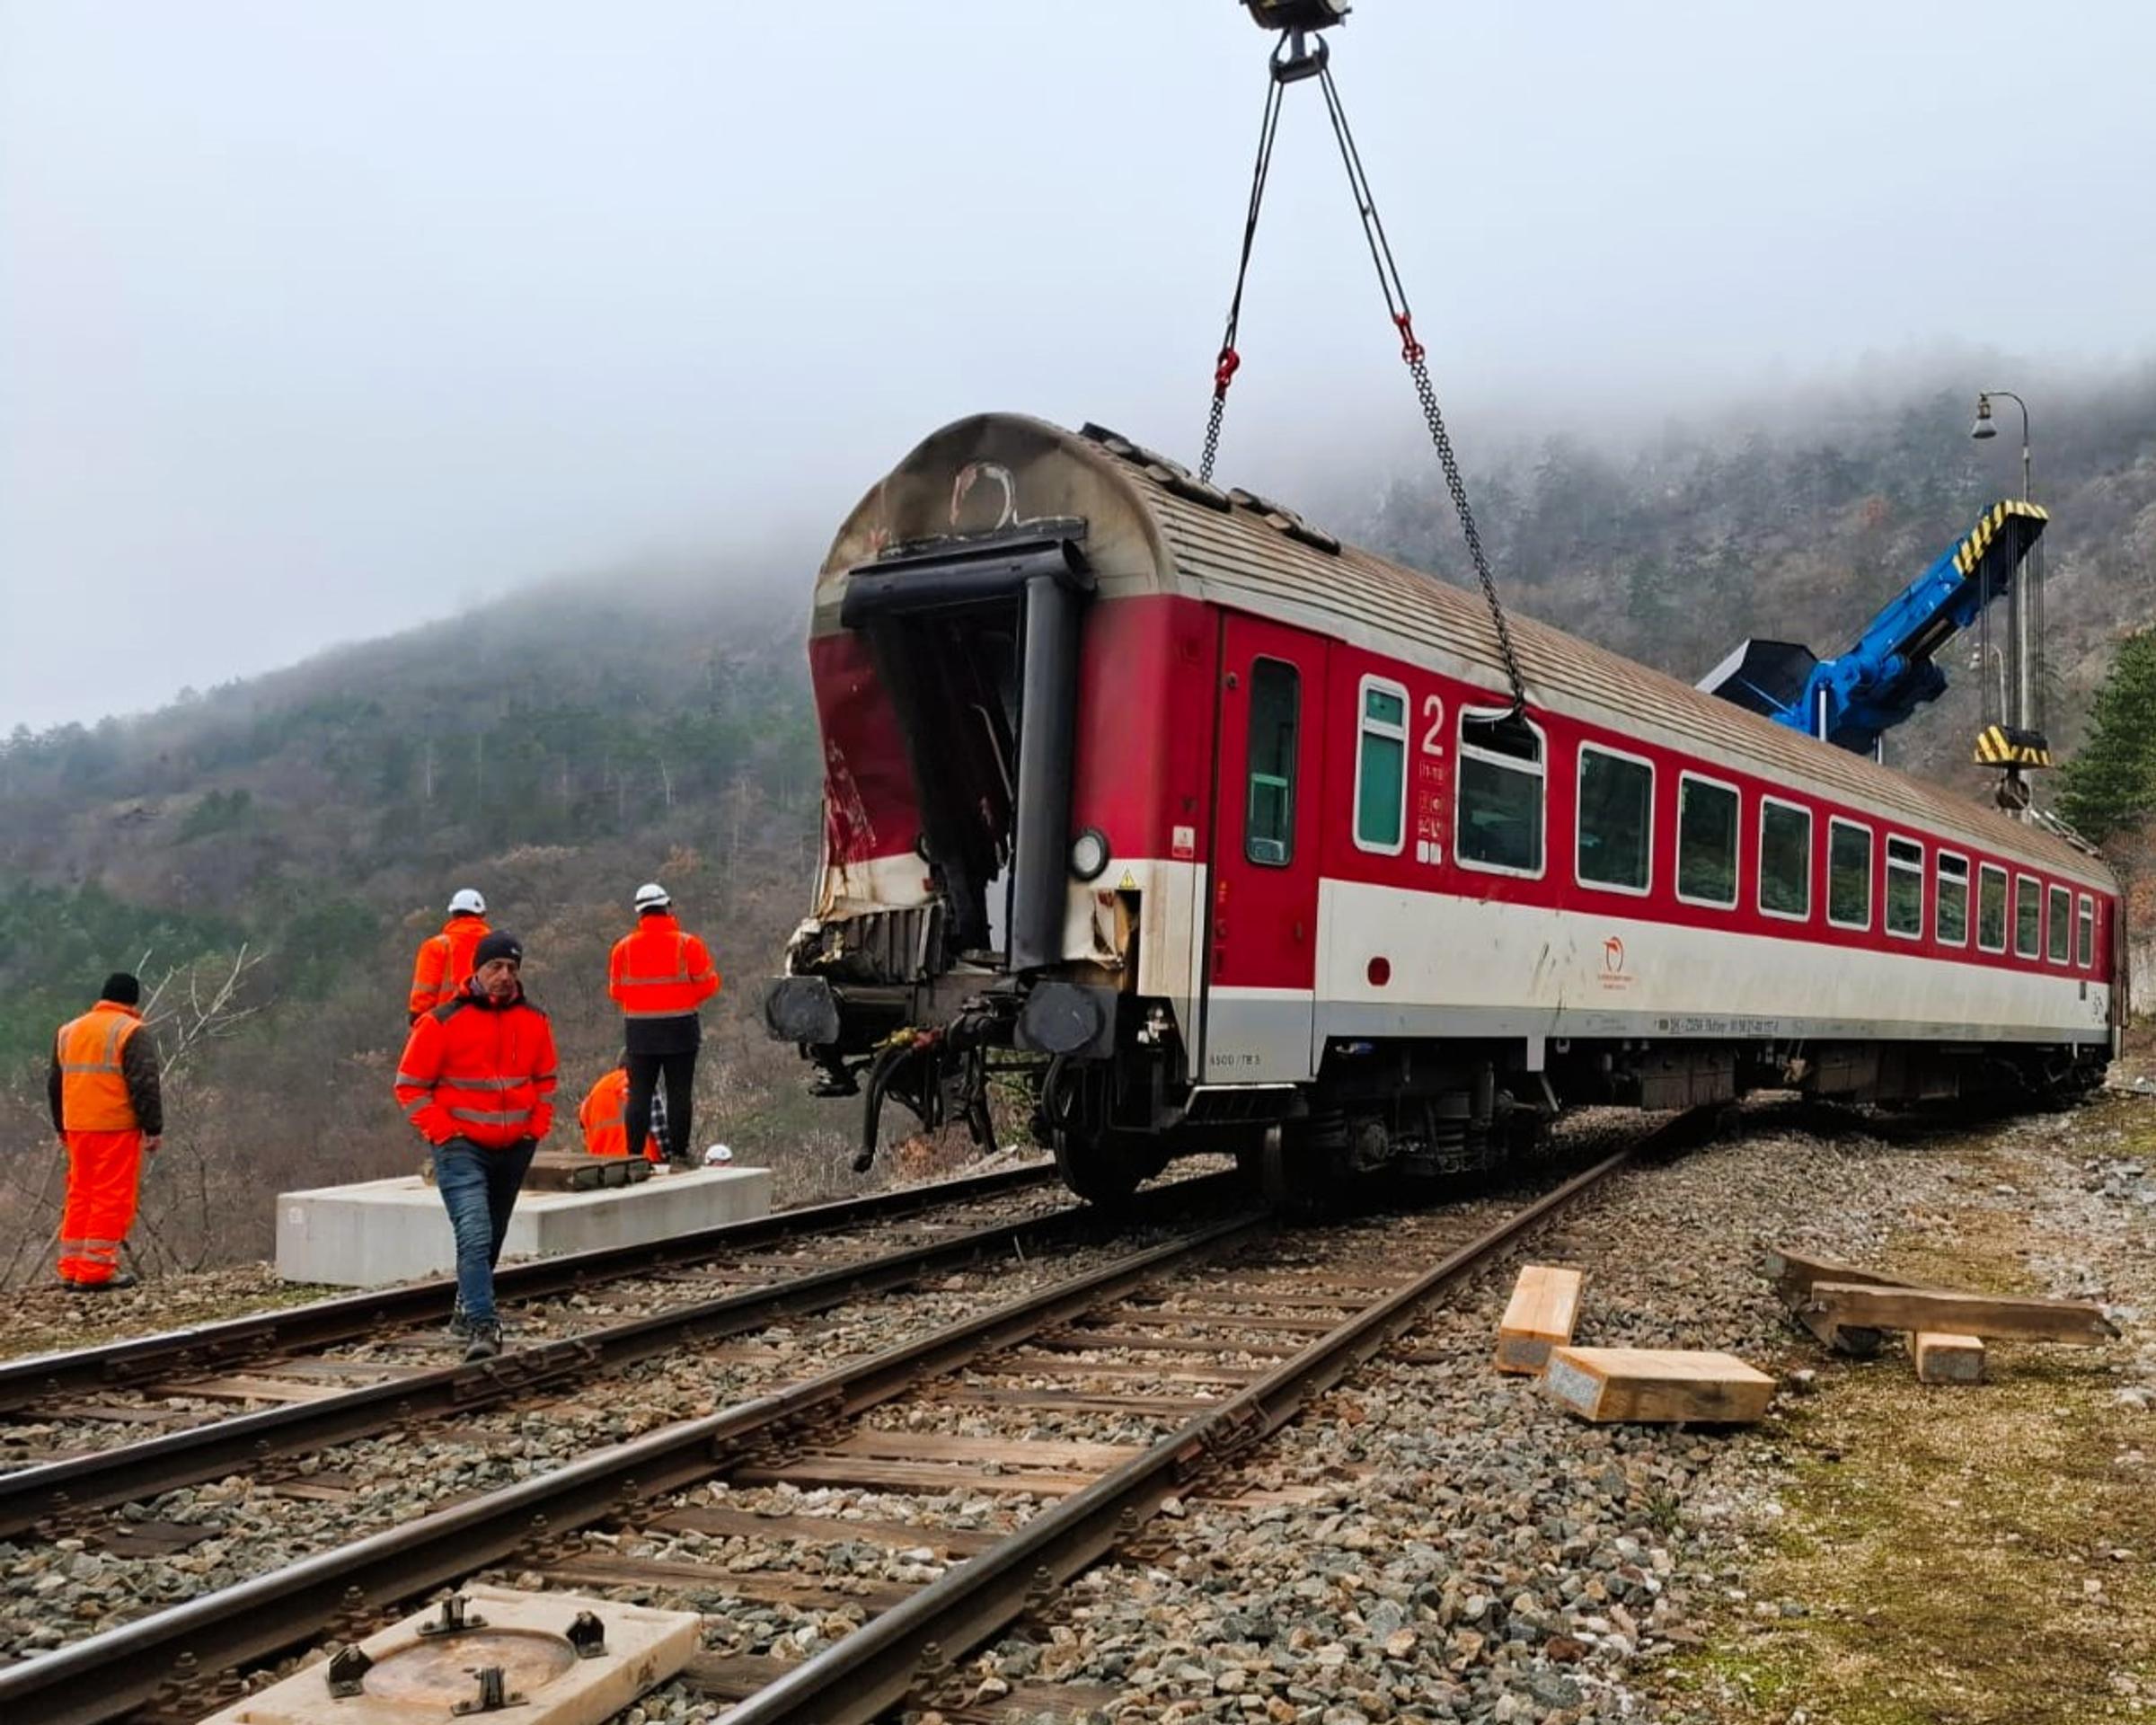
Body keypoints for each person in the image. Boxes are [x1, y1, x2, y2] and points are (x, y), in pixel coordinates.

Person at [393, 931, 557, 1360]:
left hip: (514, 1146)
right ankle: (484, 1327)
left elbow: (545, 1079)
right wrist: (444, 1132)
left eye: (512, 968)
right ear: (477, 971)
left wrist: (534, 1126)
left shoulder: (536, 1020)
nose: (504, 975)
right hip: (460, 1146)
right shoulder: (442, 1021)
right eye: (495, 967)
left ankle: (466, 1310)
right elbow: (410, 1086)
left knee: (493, 1234)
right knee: (475, 1232)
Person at [48, 973, 163, 1290]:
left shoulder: (69, 1031)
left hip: (76, 1127)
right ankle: (96, 1271)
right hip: (114, 1126)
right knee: (110, 1196)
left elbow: (55, 1085)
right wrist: (153, 1128)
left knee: (80, 1193)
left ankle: (72, 1267)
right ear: (133, 1002)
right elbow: (144, 1083)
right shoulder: (131, 1031)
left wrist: (61, 1125)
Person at [606, 882, 720, 1168]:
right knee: (679, 1092)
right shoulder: (688, 944)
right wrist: (681, 998)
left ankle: (633, 1157)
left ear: (639, 913)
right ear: (667, 907)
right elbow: (709, 984)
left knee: (640, 1093)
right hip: (680, 1027)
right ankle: (680, 1156)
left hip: (640, 1030)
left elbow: (616, 991)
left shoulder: (623, 948)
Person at [407, 889, 490, 1022]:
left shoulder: (435, 946)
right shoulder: (495, 945)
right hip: (487, 1023)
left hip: (445, 1024)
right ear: (482, 914)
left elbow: (424, 994)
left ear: (453, 914)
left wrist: (417, 1022)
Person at [578, 1054, 667, 1164]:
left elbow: (583, 1124)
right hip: (643, 1164)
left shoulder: (595, 1091)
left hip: (602, 1168)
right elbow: (661, 1131)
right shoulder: (641, 1085)